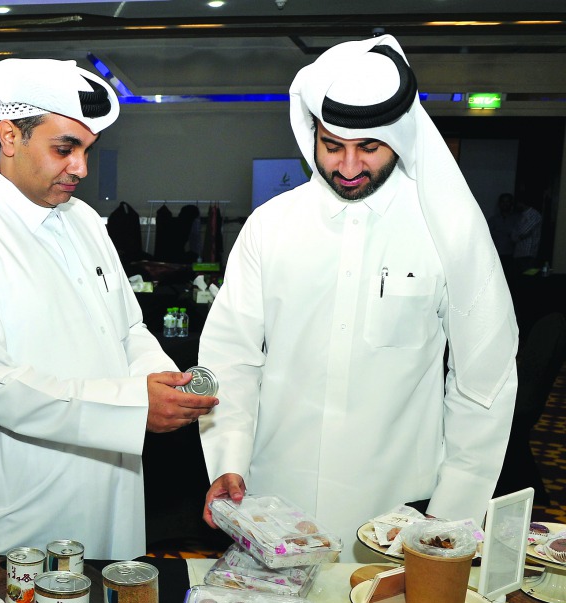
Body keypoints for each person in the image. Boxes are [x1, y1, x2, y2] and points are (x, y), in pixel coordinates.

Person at [0, 59, 217, 559]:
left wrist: (161, 378)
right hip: (15, 507)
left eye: (86, 150)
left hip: (108, 484)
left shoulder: (86, 221)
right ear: (10, 136)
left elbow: (127, 328)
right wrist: (131, 407)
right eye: (64, 149)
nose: (81, 168)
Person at [198, 36, 518, 558]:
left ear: (400, 137)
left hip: (400, 512)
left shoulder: (449, 232)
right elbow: (230, 357)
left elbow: (486, 376)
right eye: (332, 146)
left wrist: (452, 510)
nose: (348, 167)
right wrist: (228, 460)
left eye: (368, 147)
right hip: (274, 501)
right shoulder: (270, 226)